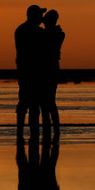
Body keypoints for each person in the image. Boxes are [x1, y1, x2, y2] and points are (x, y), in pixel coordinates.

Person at [15, 5, 47, 134]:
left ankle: (21, 130)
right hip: (33, 72)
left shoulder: (21, 30)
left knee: (25, 102)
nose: (42, 18)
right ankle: (32, 130)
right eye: (40, 15)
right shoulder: (37, 32)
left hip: (24, 71)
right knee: (32, 104)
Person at [42, 10, 65, 138]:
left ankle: (50, 129)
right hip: (52, 68)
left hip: (48, 68)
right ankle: (53, 129)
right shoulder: (58, 33)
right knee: (49, 101)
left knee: (48, 101)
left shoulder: (56, 34)